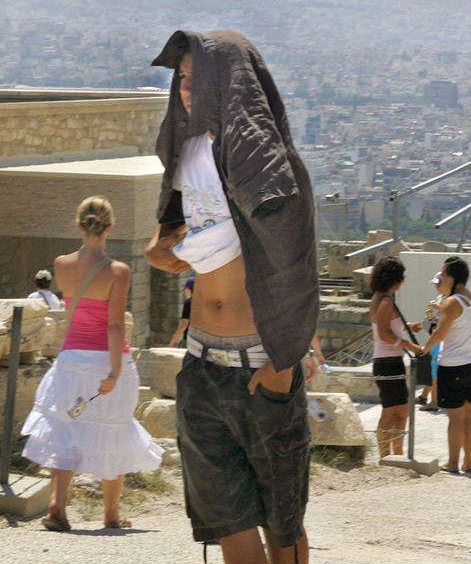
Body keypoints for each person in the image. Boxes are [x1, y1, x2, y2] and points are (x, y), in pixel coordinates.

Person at [146, 30, 318, 564]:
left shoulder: (270, 165)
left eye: (201, 78)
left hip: (261, 366)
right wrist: (162, 250)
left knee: (281, 526)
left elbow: (295, 262)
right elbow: (163, 237)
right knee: (230, 527)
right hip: (201, 363)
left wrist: (284, 367)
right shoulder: (187, 150)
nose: (187, 91)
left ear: (233, 84)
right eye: (181, 79)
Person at [21, 196, 163, 532]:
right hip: (107, 359)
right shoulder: (119, 271)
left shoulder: (61, 265)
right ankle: (111, 514)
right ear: (111, 227)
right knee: (113, 428)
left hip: (71, 360)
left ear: (79, 225)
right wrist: (114, 371)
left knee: (65, 426)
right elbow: (114, 325)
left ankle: (58, 504)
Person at [422, 257, 471, 474]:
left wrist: (426, 347)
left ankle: (453, 462)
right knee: (468, 414)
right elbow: (461, 318)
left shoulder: (451, 302)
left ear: (452, 277)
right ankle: (468, 462)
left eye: (443, 274)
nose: (441, 277)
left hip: (453, 365)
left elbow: (440, 333)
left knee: (455, 417)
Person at [369, 256, 424, 457]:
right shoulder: (385, 301)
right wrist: (411, 345)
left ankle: (395, 455)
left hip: (387, 362)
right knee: (393, 411)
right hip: (388, 362)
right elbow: (384, 334)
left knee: (399, 411)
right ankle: (388, 456)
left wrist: (407, 328)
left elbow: (385, 328)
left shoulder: (378, 298)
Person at [418, 272, 444, 411]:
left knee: (435, 368)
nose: (436, 286)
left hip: (441, 337)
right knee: (433, 368)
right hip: (437, 334)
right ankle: (426, 397)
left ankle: (434, 401)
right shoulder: (441, 297)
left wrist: (438, 308)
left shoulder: (449, 298)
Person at [167, 276, 194, 348]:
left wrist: (172, 342)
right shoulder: (204, 302)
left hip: (190, 341)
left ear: (188, 289)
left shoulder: (189, 302)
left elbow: (184, 325)